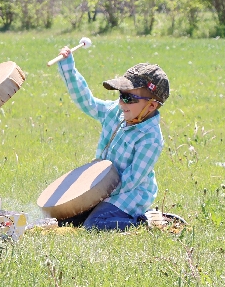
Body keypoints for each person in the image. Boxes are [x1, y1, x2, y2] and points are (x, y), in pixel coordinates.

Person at [56, 46, 170, 230]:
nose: (121, 103)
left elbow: (131, 180)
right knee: (67, 219)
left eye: (129, 98)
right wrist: (68, 68)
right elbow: (88, 103)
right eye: (121, 95)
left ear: (151, 106)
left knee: (95, 224)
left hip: (130, 194)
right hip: (103, 188)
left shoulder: (151, 139)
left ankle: (144, 221)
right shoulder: (115, 113)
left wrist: (96, 194)